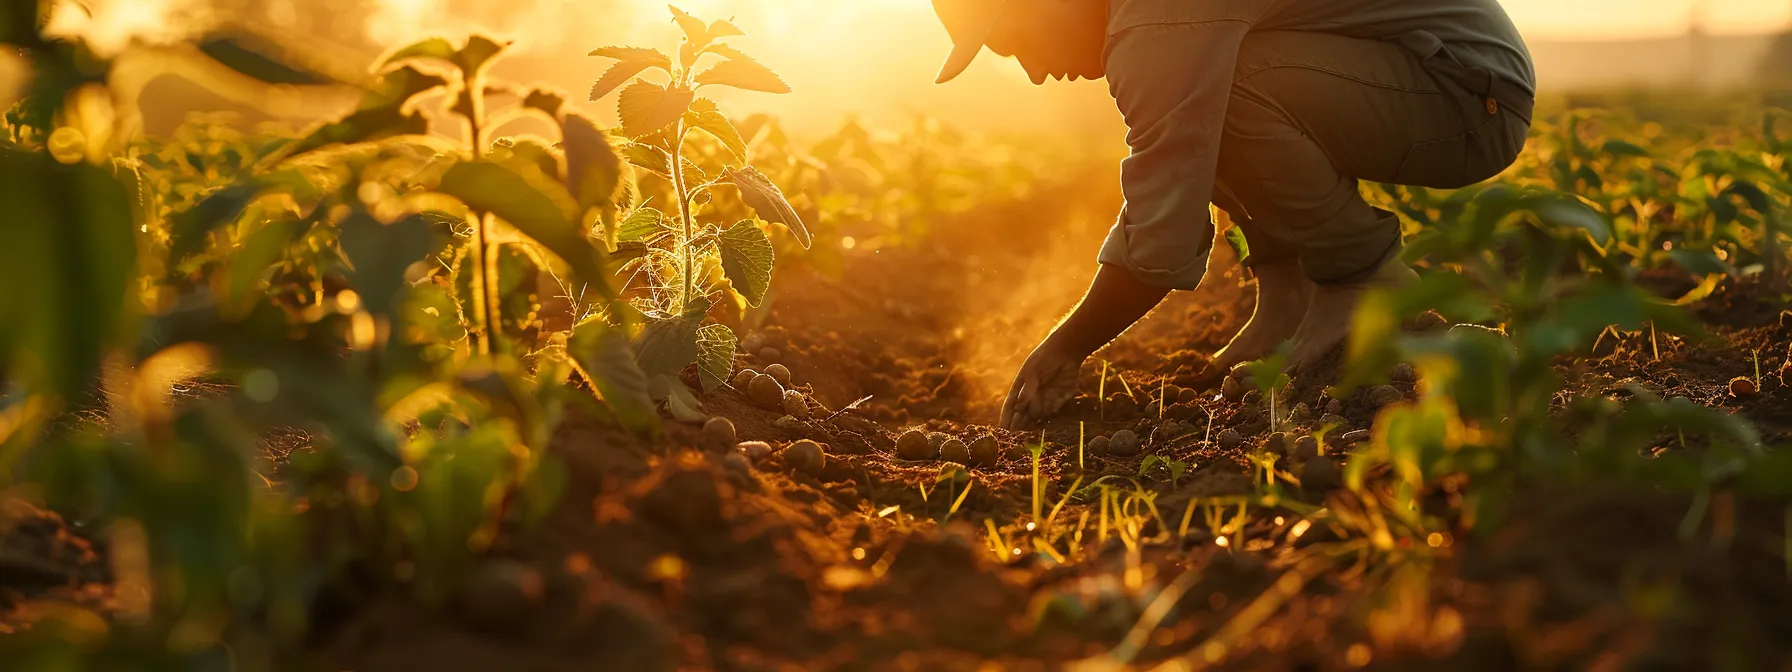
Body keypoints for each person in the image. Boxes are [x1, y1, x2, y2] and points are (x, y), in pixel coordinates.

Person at [927, 0, 1536, 428]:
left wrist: (1064, 347)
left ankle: (1360, 278)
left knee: (1213, 94)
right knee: (1201, 98)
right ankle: (1287, 303)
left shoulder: (1159, 16)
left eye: (1014, 44)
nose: (1034, 74)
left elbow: (1163, 223)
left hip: (1466, 93)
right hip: (1430, 74)